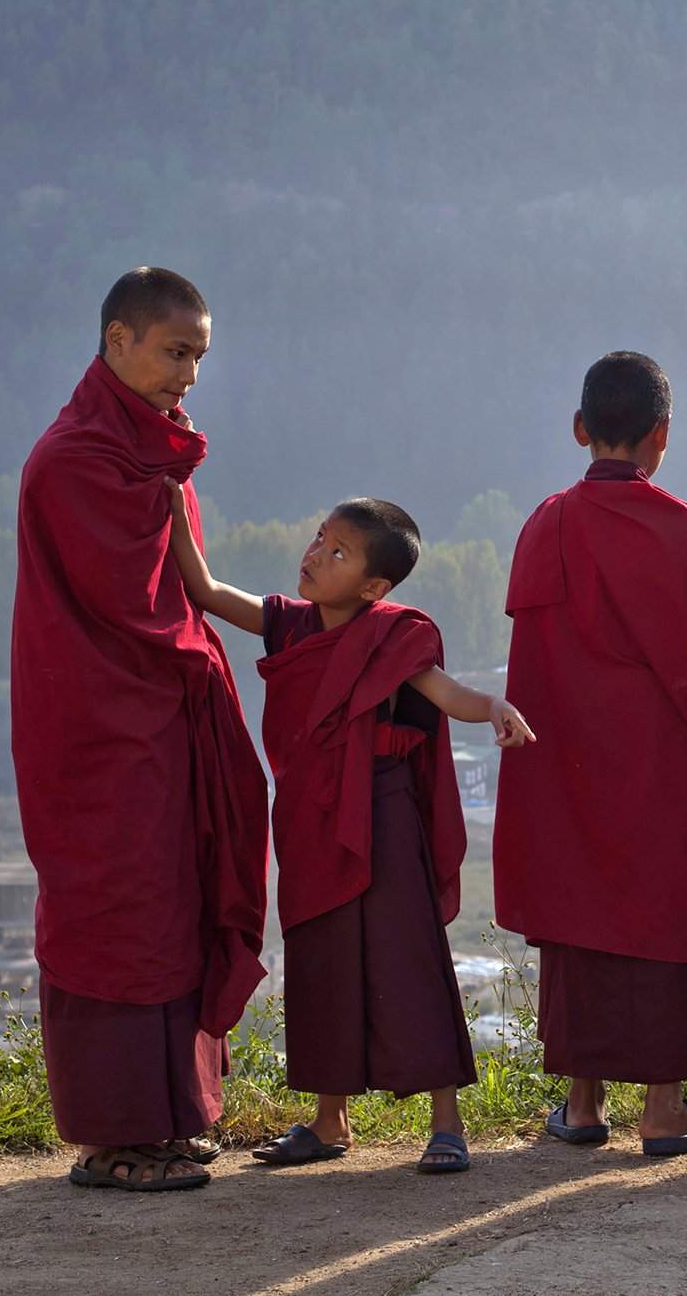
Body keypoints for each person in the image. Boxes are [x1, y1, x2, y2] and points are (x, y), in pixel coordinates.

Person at [166, 490, 531, 1174]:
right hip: (310, 819)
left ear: (374, 587)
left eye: (337, 552)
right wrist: (171, 504)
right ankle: (329, 1119)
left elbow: (447, 693)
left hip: (384, 817)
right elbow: (207, 590)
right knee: (321, 958)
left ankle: (446, 1121)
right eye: (318, 537)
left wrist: (495, 708)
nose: (315, 555)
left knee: (408, 957)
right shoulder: (290, 626)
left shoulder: (394, 638)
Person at [12, 267, 269, 1192]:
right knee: (119, 911)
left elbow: (179, 592)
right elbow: (133, 608)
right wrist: (198, 658)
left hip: (161, 722)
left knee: (177, 898)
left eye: (199, 356)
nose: (189, 375)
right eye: (174, 351)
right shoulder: (76, 460)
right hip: (99, 730)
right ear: (117, 341)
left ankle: (171, 1114)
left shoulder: (151, 453)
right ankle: (115, 1135)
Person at [494, 351, 687, 1155]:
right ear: (662, 436)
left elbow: (532, 659)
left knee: (584, 912)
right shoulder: (686, 529)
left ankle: (582, 1104)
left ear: (581, 430)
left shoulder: (546, 522)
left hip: (565, 763)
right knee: (672, 913)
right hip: (660, 763)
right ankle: (665, 1108)